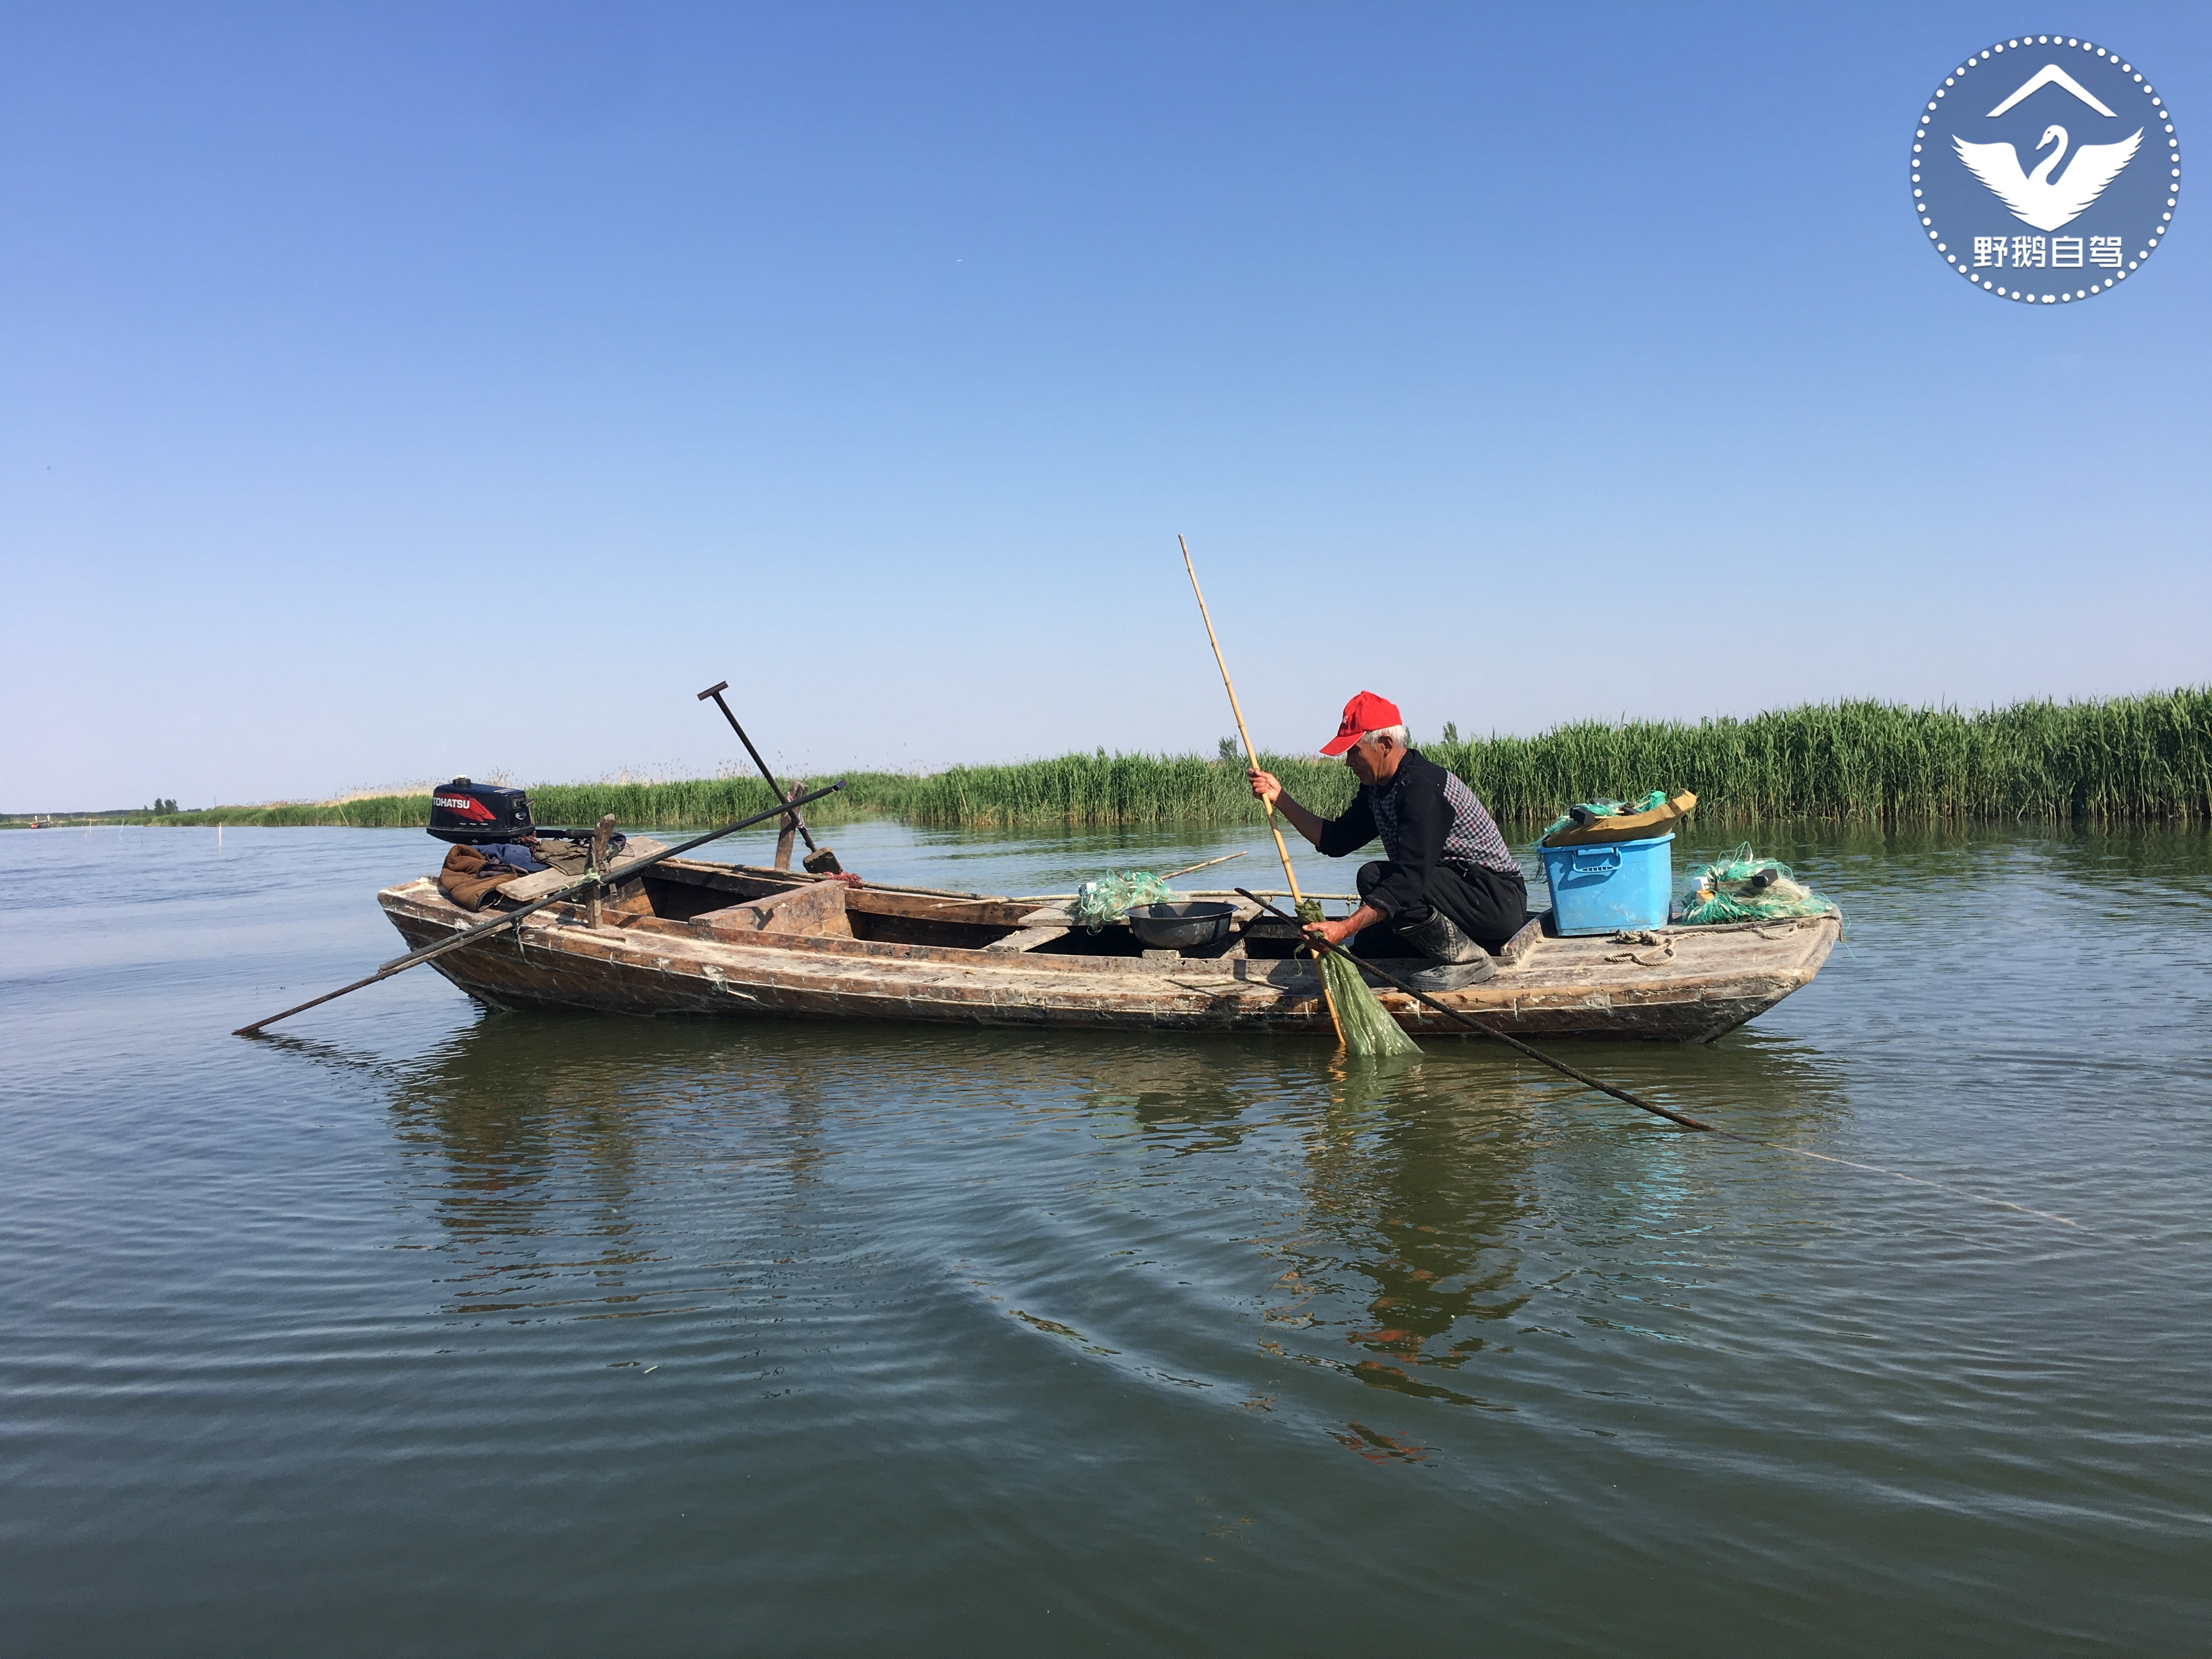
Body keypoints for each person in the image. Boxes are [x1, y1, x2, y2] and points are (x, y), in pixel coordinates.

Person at [1248, 691, 1528, 991]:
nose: (1348, 763)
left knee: (1373, 877)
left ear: (1385, 745)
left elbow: (1409, 878)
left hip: (1494, 900)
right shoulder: (1379, 787)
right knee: (1369, 947)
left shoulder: (1421, 789)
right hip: (1453, 897)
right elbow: (1335, 841)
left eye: (1354, 752)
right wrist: (1280, 799)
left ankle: (1468, 961)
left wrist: (1344, 927)